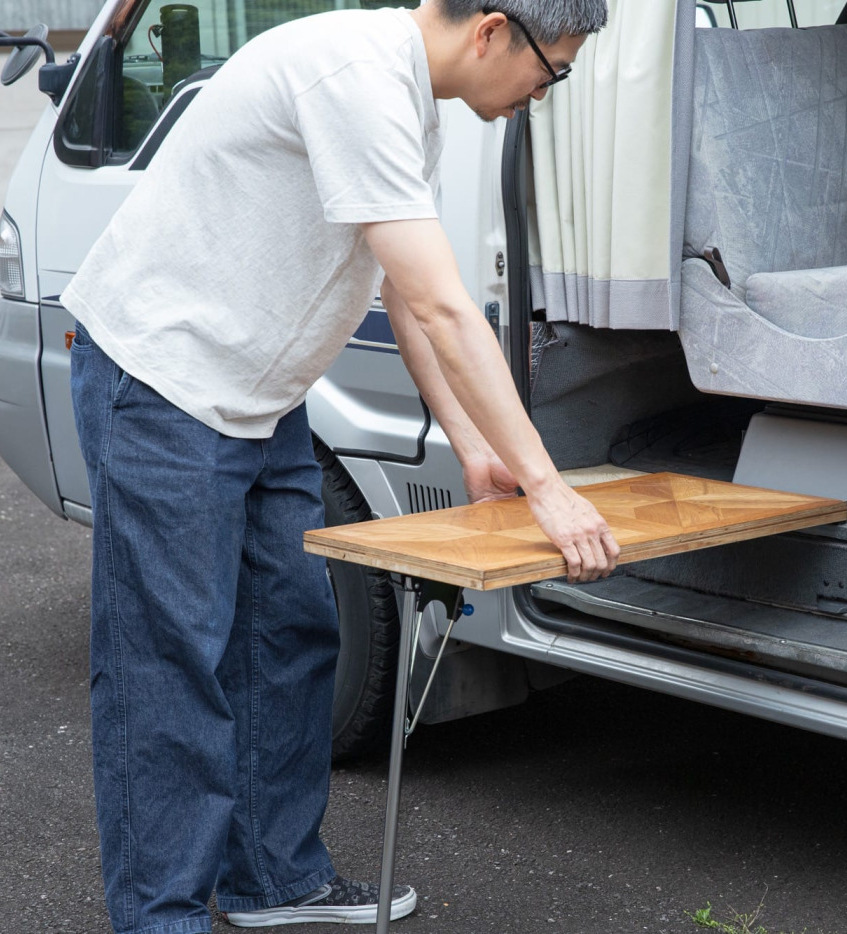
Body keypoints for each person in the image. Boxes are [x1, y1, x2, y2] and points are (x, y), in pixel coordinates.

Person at [61, 0, 616, 930]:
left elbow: (404, 289)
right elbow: (446, 306)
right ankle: (160, 917)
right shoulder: (354, 78)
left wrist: (475, 449)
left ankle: (271, 880)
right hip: (162, 381)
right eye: (550, 71)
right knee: (171, 664)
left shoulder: (408, 97)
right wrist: (550, 488)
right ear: (491, 30)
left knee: (289, 630)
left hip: (260, 395)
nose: (541, 95)